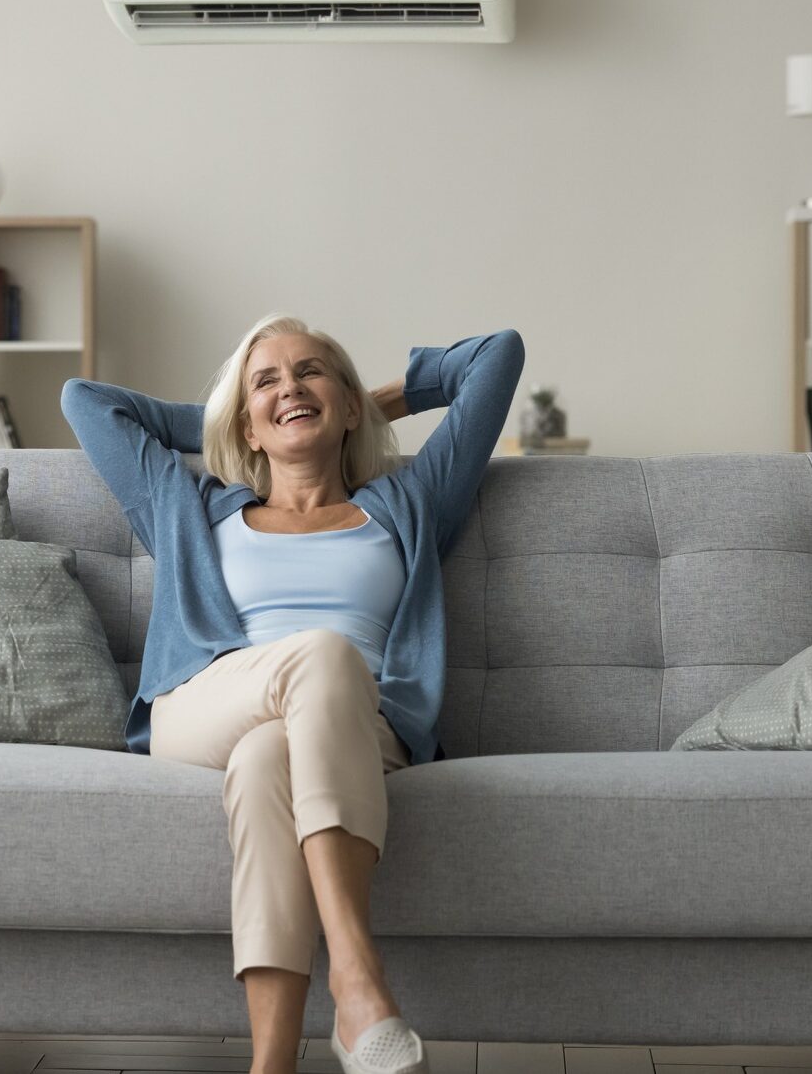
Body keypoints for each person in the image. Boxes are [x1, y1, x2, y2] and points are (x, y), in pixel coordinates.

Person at [59, 316, 525, 1074]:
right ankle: (356, 975)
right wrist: (240, 416)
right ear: (242, 420)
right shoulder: (190, 506)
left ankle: (269, 1064)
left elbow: (496, 355)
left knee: (267, 755)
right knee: (319, 655)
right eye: (266, 381)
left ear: (347, 405)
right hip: (206, 704)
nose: (289, 388)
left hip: (357, 728)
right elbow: (85, 400)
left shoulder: (409, 502)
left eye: (310, 372)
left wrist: (366, 402)